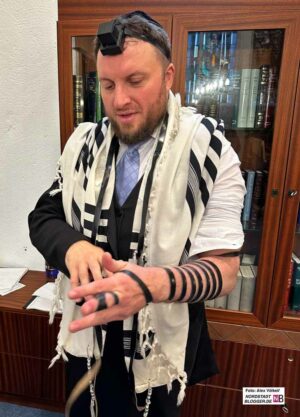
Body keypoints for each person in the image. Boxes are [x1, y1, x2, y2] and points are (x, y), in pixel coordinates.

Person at [28, 10, 245, 417]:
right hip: (86, 338)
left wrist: (149, 286)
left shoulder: (211, 153)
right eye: (107, 85)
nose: (119, 100)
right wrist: (73, 248)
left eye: (135, 81)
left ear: (168, 76)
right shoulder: (83, 145)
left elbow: (224, 271)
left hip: (159, 347)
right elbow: (43, 216)